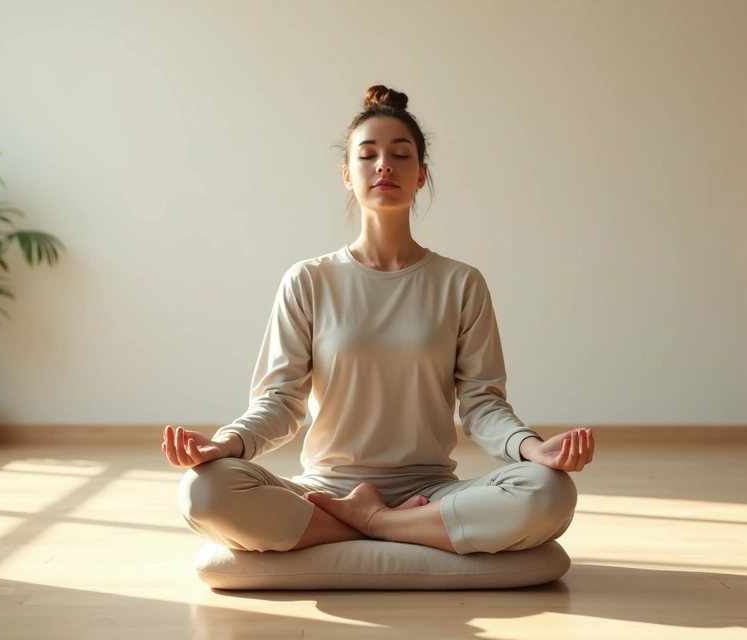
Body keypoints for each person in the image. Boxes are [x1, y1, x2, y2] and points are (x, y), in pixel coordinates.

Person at [163, 84, 595, 556]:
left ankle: (370, 522)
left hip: (430, 493)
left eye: (400, 155)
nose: (383, 165)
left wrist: (533, 449)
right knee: (202, 490)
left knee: (551, 491)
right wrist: (226, 444)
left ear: (422, 175)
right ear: (347, 174)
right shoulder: (308, 280)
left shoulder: (461, 283)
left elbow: (482, 404)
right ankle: (393, 525)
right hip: (326, 493)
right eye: (367, 156)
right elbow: (279, 401)